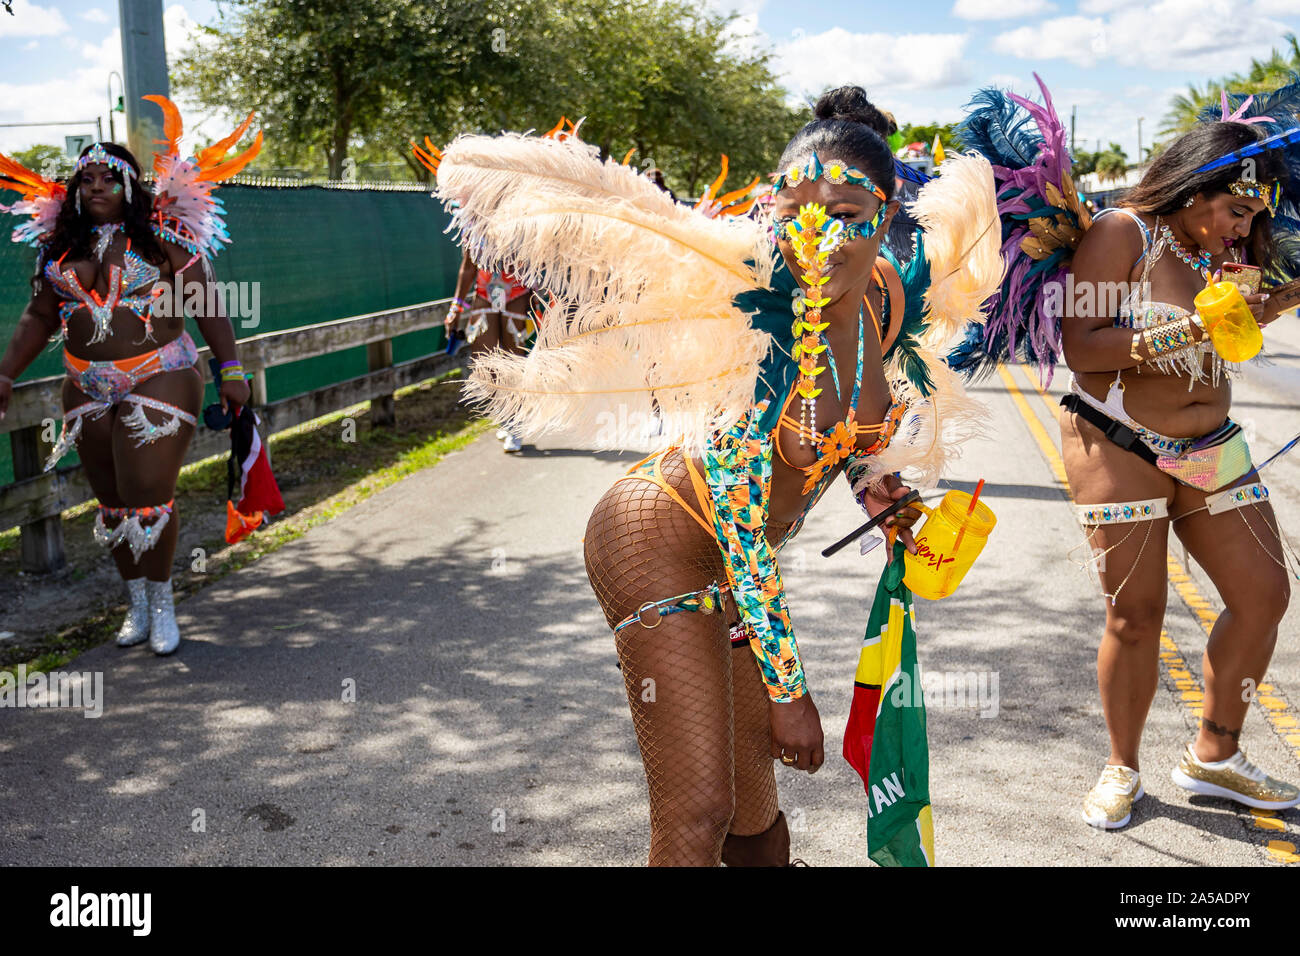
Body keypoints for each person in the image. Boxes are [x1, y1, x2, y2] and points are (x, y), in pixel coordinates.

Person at [434, 86, 1000, 865]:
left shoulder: (888, 301)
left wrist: (887, 494)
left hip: (738, 573)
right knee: (698, 813)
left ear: (887, 207)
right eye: (797, 214)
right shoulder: (757, 325)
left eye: (845, 214)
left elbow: (848, 440)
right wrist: (790, 690)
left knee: (755, 824)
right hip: (658, 542)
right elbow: (739, 522)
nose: (820, 240)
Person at [953, 75, 1300, 828]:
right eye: (1235, 210)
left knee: (1264, 593)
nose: (1242, 229)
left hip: (1209, 446)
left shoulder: (1224, 250)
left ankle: (1216, 753)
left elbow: (1234, 325)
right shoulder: (1124, 233)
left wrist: (1272, 302)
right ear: (1197, 187)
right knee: (1136, 615)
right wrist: (1196, 327)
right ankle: (1123, 767)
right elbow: (1088, 349)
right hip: (1120, 442)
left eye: (1251, 216)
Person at [0, 101, 261, 655]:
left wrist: (230, 369)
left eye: (109, 178)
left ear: (131, 188)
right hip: (85, 384)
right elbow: (39, 318)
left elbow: (208, 304)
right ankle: (136, 603)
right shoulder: (59, 249)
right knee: (113, 502)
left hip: (160, 374)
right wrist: (4, 375)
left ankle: (165, 605)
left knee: (148, 495)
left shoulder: (166, 239)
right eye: (86, 179)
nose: (96, 187)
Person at [444, 247, 538, 452]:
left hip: (517, 291)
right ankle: (505, 414)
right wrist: (456, 308)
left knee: (513, 358)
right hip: (486, 291)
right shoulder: (475, 223)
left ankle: (516, 423)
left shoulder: (518, 220)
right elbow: (468, 267)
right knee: (484, 359)